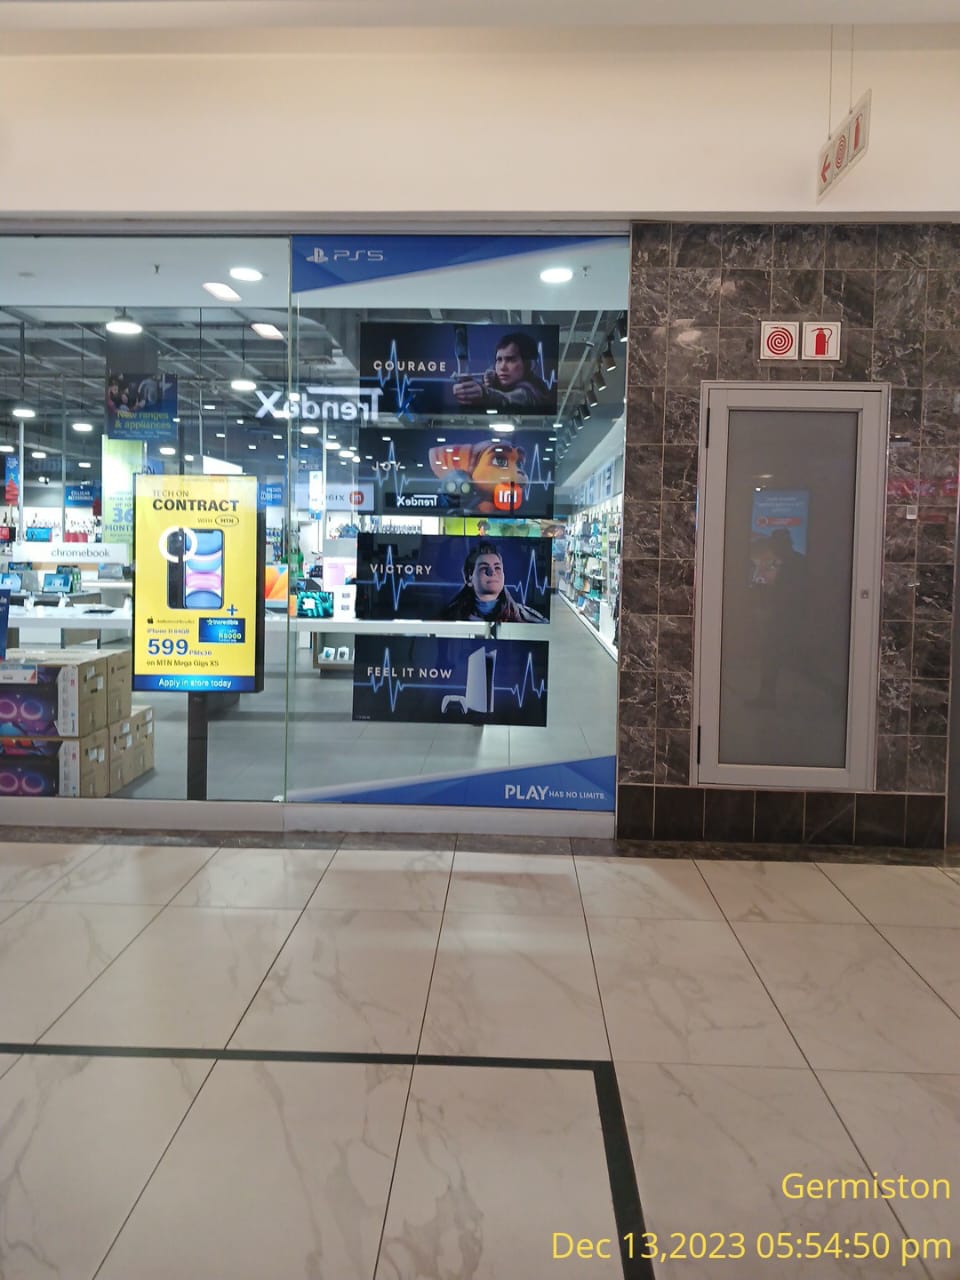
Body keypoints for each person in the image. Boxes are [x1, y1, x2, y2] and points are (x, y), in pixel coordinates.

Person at [748, 528, 808, 708]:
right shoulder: (793, 562)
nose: (773, 550)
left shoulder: (795, 565)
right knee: (771, 657)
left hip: (787, 621)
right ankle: (767, 696)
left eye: (775, 546)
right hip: (783, 619)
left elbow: (791, 595)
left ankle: (770, 697)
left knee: (775, 657)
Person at [438, 540, 547, 622]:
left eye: (497, 567)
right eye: (484, 567)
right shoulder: (447, 617)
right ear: (469, 577)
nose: (492, 572)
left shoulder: (530, 619)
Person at [451, 332, 553, 412]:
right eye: (499, 360)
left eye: (511, 360)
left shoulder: (532, 392)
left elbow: (508, 399)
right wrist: (490, 385)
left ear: (530, 365)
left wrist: (484, 393)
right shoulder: (499, 382)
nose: (502, 367)